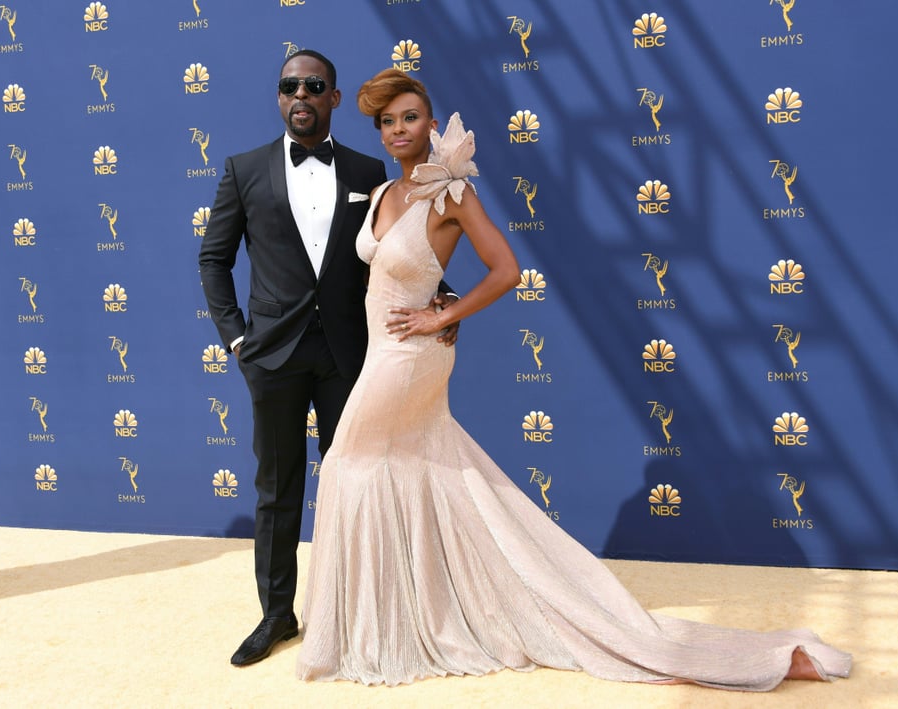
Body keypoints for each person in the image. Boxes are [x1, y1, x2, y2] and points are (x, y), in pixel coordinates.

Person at [295, 68, 851, 691]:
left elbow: (506, 270)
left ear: (432, 124)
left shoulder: (452, 194)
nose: (399, 130)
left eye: (411, 118)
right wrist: (435, 299)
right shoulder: (381, 195)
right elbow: (402, 269)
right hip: (383, 353)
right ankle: (410, 613)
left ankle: (380, 628)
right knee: (409, 473)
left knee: (351, 461)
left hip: (411, 358)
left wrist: (443, 315)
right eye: (388, 121)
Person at [198, 52, 457, 667]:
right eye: (290, 86)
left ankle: (366, 609)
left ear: (335, 99)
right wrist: (237, 339)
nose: (301, 95)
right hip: (275, 356)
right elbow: (214, 259)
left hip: (354, 355)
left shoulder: (374, 169)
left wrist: (439, 299)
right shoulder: (243, 170)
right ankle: (277, 615)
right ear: (279, 96)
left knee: (366, 482)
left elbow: (407, 245)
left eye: (314, 86)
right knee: (278, 488)